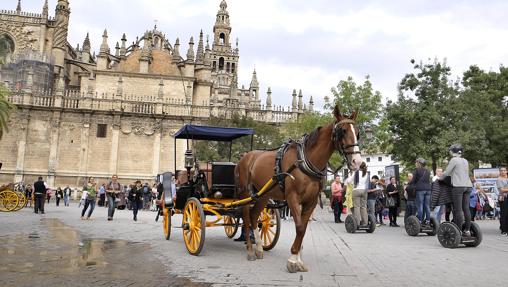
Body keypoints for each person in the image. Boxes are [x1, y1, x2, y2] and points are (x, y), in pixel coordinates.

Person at [440, 144, 473, 237]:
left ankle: (458, 230)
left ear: (452, 151)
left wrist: (440, 177)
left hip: (458, 186)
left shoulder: (454, 160)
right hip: (468, 186)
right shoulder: (465, 160)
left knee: (458, 209)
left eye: (450, 150)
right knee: (466, 209)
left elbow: (447, 173)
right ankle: (467, 230)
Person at [345, 162, 369, 226]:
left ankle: (357, 223)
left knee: (357, 207)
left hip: (356, 190)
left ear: (359, 166)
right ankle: (365, 223)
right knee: (363, 207)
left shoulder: (356, 172)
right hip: (364, 191)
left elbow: (349, 181)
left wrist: (350, 177)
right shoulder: (366, 173)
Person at [409, 158, 431, 224]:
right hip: (428, 189)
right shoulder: (428, 171)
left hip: (420, 190)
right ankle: (428, 220)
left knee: (420, 205)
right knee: (427, 206)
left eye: (416, 162)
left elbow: (413, 181)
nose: (415, 163)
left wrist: (409, 183)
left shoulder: (416, 170)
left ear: (419, 163)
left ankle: (420, 220)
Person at [497, 166, 508, 236]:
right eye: (501, 170)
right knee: (504, 214)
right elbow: (501, 190)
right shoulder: (499, 179)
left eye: (504, 170)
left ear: (506, 171)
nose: (503, 172)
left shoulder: (507, 178)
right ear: (500, 172)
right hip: (503, 198)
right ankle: (503, 230)